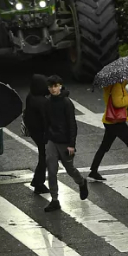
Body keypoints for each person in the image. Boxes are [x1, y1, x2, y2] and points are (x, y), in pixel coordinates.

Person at [44, 74, 88, 212]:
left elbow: (72, 124)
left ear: (60, 86)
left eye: (55, 86)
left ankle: (81, 182)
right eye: (50, 87)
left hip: (64, 142)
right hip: (52, 140)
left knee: (70, 169)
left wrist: (72, 144)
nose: (53, 89)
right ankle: (55, 199)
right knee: (51, 170)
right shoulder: (48, 101)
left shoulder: (66, 103)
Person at [89, 79, 128, 181]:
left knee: (104, 147)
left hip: (110, 121)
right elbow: (118, 103)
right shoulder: (117, 86)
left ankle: (93, 171)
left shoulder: (116, 85)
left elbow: (121, 106)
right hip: (116, 123)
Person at [25, 74, 50, 194]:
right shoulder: (42, 102)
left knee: (43, 156)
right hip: (42, 133)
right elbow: (46, 120)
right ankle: (38, 182)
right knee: (44, 157)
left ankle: (38, 181)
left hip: (34, 131)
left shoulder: (30, 97)